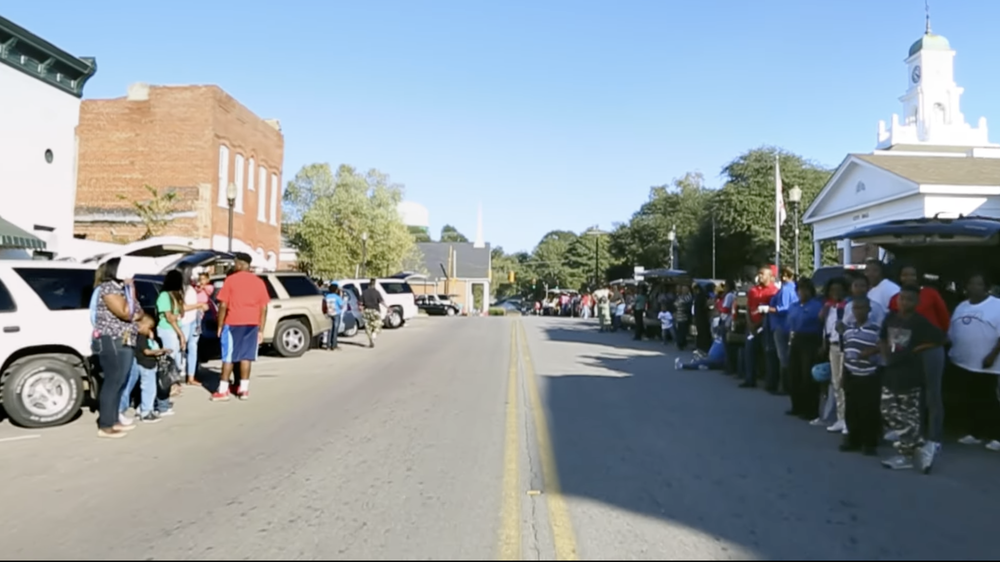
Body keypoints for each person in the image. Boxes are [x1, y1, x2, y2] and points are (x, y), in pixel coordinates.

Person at [879, 284, 946, 472]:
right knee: (888, 410)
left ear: (916, 302)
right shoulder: (891, 318)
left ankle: (907, 455)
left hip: (910, 372)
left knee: (910, 415)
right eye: (902, 298)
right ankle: (916, 444)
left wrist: (918, 349)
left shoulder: (919, 322)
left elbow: (941, 339)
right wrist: (886, 356)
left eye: (909, 299)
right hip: (892, 369)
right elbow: (882, 337)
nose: (904, 302)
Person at [888, 263, 950, 452]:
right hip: (907, 353)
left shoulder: (930, 294)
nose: (909, 278)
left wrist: (935, 340)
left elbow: (944, 320)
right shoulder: (894, 299)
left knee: (933, 395)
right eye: (905, 275)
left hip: (931, 350)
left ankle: (934, 438)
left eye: (912, 275)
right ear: (900, 278)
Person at [948, 272, 1000, 452]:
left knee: (990, 400)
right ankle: (975, 433)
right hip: (964, 363)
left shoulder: (997, 306)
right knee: (970, 399)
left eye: (978, 284)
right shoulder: (961, 306)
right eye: (971, 283)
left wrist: (992, 356)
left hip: (989, 365)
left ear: (987, 287)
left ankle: (996, 436)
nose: (974, 287)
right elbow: (952, 331)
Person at [92, 257, 140, 439]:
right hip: (112, 340)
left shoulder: (121, 289)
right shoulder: (108, 288)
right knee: (112, 381)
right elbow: (126, 312)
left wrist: (132, 301)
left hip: (126, 340)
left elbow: (138, 311)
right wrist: (131, 290)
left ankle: (113, 420)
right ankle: (105, 425)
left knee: (120, 382)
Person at [215, 252, 270, 401]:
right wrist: (261, 329)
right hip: (252, 323)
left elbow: (223, 304)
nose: (234, 265)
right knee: (246, 357)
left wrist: (220, 325)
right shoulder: (259, 282)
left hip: (233, 322)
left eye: (235, 263)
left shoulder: (231, 281)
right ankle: (243, 389)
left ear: (240, 264)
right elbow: (263, 307)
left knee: (228, 357)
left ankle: (223, 390)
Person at [839, 297, 882, 456]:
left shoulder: (875, 329)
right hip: (851, 373)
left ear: (868, 310)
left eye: (862, 308)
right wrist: (843, 375)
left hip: (869, 374)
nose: (858, 311)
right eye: (856, 308)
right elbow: (846, 353)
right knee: (852, 409)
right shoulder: (848, 329)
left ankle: (869, 442)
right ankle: (853, 439)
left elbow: (883, 346)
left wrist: (870, 352)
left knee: (869, 410)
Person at [786, 278, 825, 420]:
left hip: (811, 339)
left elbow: (822, 324)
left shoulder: (817, 306)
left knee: (807, 375)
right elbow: (790, 324)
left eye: (805, 289)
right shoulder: (794, 306)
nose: (802, 292)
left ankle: (810, 409)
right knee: (794, 374)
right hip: (796, 338)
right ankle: (797, 406)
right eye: (800, 289)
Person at [122, 314, 173, 423]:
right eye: (149, 327)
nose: (150, 330)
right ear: (141, 325)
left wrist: (151, 337)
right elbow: (146, 351)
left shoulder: (138, 336)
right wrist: (160, 351)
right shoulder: (140, 337)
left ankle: (143, 409)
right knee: (149, 389)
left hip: (145, 364)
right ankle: (146, 412)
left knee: (147, 388)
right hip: (146, 365)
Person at [819, 277, 851, 434]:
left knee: (843, 382)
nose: (835, 293)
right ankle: (840, 417)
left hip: (845, 346)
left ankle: (848, 419)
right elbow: (823, 322)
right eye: (832, 290)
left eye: (839, 290)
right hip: (832, 345)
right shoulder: (829, 306)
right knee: (835, 383)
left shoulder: (848, 306)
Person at [741, 266, 779, 389]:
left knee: (768, 354)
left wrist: (758, 324)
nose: (760, 276)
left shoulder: (774, 291)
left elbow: (770, 311)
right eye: (759, 274)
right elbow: (748, 307)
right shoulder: (753, 291)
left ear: (770, 276)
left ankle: (769, 382)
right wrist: (749, 323)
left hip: (765, 327)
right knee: (749, 352)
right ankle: (750, 379)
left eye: (762, 274)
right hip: (751, 326)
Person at [770, 267, 798, 392]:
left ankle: (784, 386)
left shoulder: (786, 290)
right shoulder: (793, 288)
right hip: (789, 325)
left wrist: (766, 309)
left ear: (785, 275)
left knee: (783, 357)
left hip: (781, 325)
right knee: (787, 355)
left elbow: (783, 308)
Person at [360, 278, 386, 348]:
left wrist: (361, 309)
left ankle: (371, 341)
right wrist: (387, 307)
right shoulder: (376, 292)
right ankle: (374, 333)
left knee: (368, 327)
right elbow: (381, 301)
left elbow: (361, 303)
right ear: (374, 285)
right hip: (375, 311)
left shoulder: (364, 292)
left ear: (368, 285)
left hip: (367, 311)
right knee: (378, 323)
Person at [324, 284, 344, 350]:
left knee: (329, 330)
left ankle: (327, 345)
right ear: (336, 290)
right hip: (336, 314)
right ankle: (334, 345)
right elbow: (341, 305)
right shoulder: (337, 297)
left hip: (329, 314)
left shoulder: (326, 296)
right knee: (335, 330)